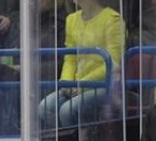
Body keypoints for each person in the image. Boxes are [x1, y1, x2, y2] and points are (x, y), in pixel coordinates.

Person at [38, 0, 124, 129]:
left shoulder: (113, 20)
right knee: (45, 107)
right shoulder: (71, 20)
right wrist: (66, 83)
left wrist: (82, 84)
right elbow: (70, 59)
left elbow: (113, 63)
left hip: (104, 85)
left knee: (67, 111)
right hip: (76, 85)